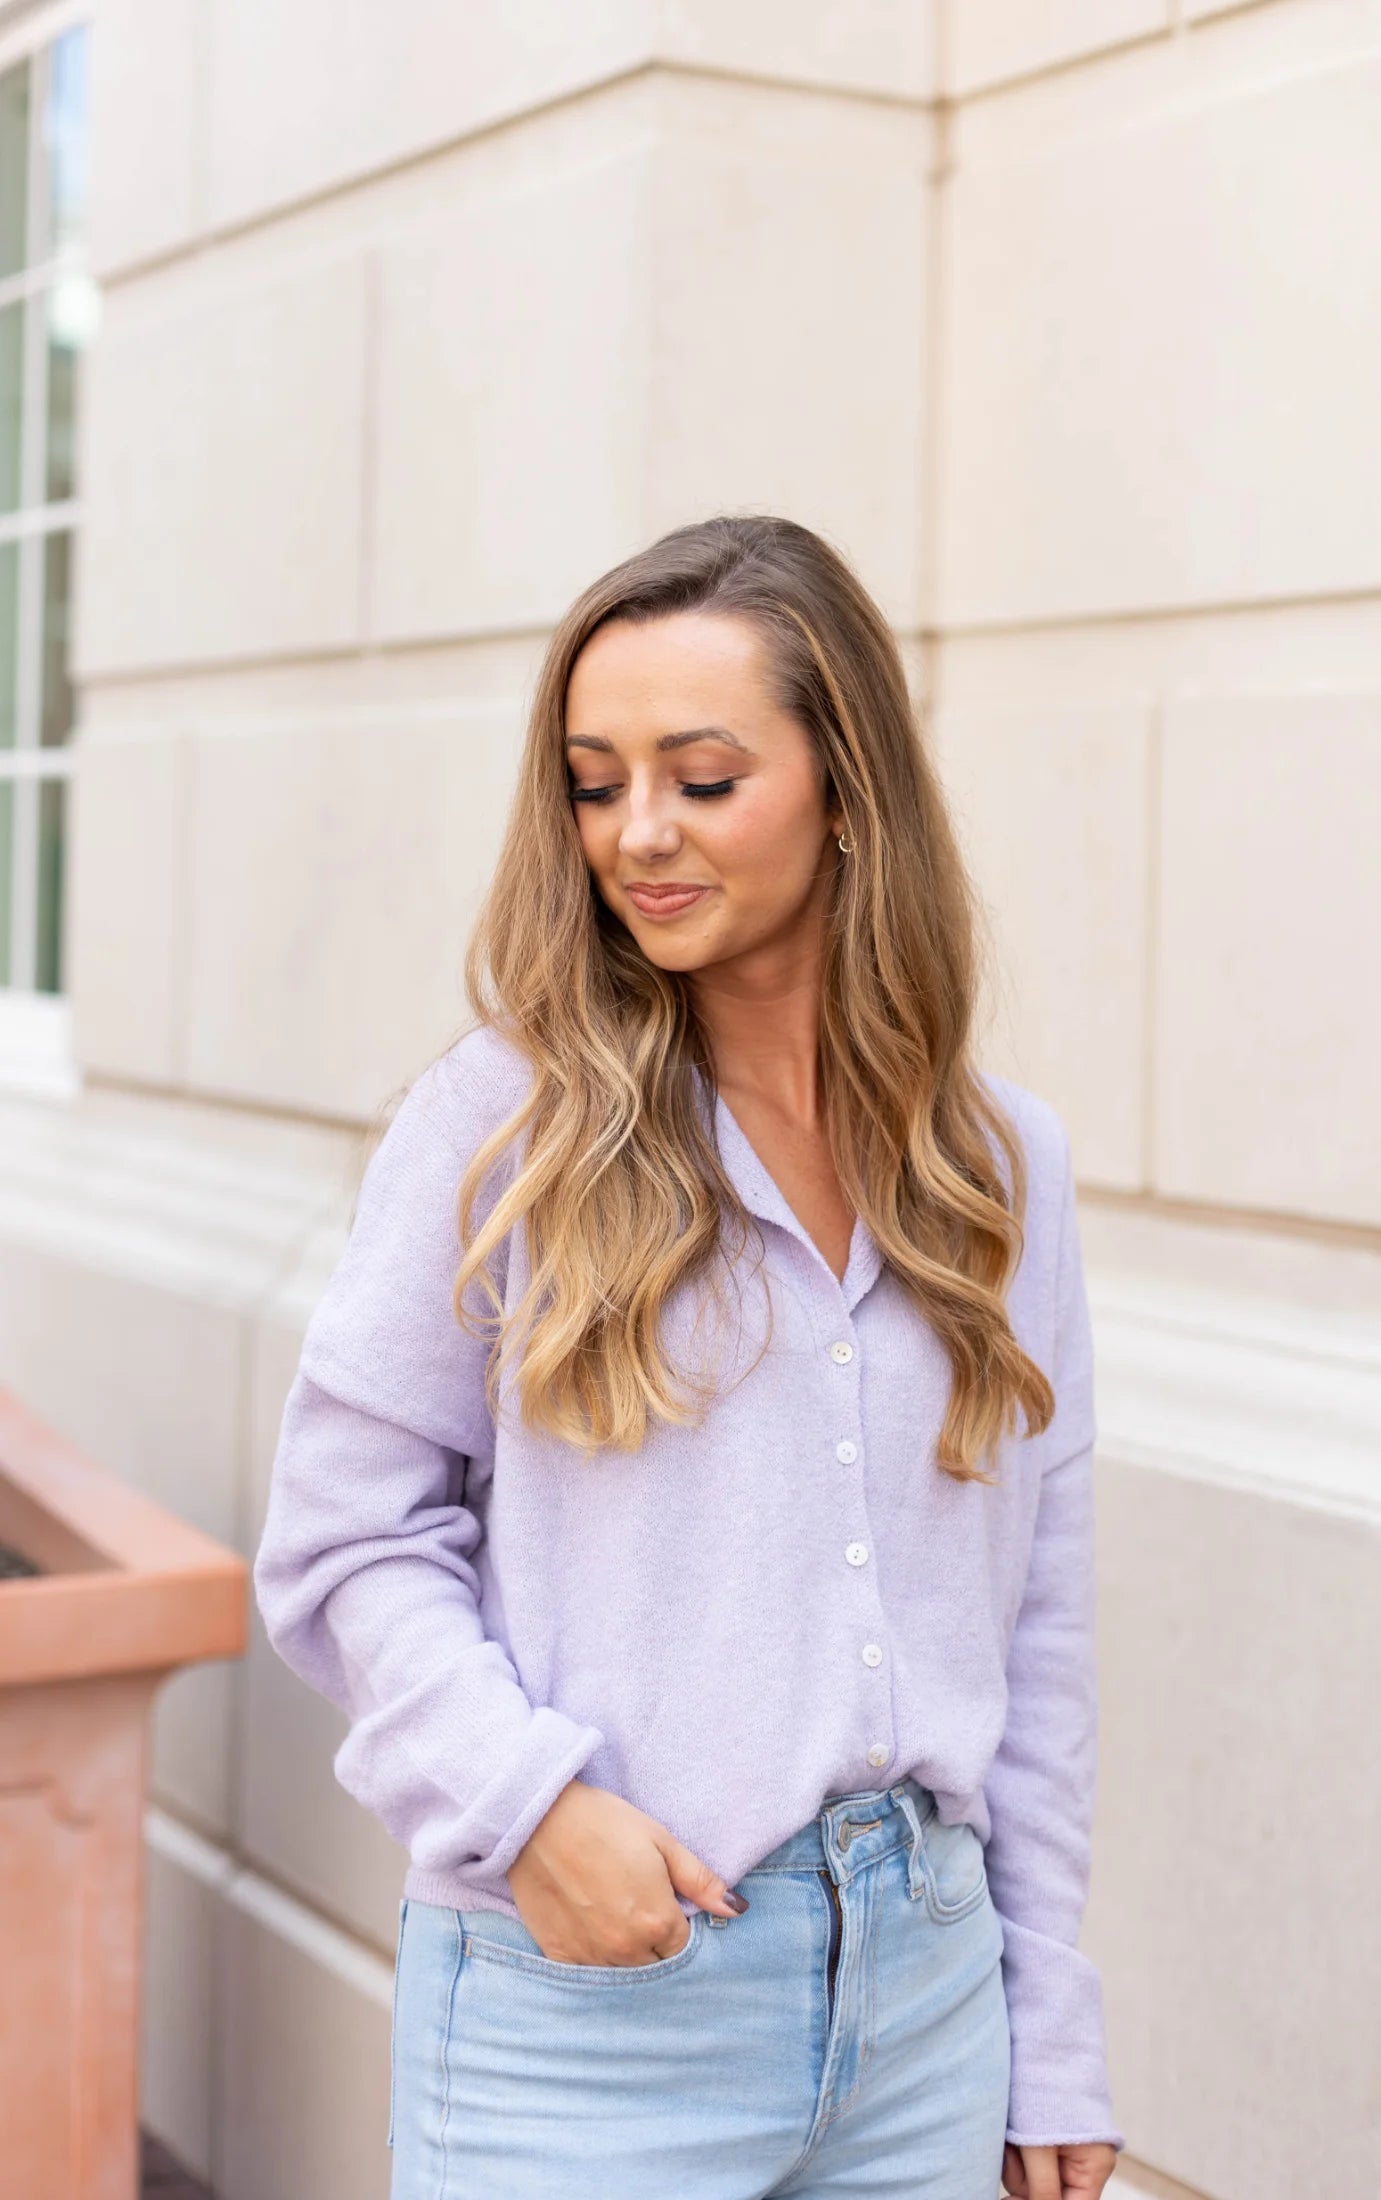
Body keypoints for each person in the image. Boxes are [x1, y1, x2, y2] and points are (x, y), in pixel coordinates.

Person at [253, 514, 1125, 2199]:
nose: (636, 834)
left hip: (928, 2012)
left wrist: (1050, 2020)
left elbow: (1036, 1626)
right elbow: (346, 1536)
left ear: (845, 786)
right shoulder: (497, 1130)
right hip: (591, 2007)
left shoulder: (1001, 1171)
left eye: (701, 777)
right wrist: (531, 1807)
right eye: (594, 783)